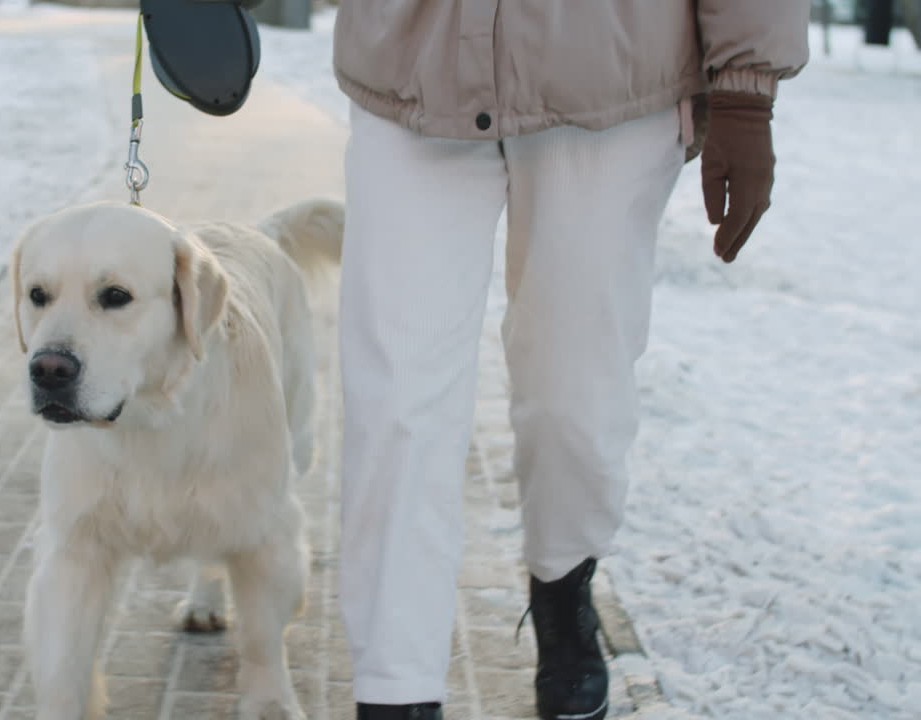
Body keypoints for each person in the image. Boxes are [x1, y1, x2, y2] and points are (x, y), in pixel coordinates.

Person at [332, 3, 810, 720]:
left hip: (612, 73)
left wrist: (746, 87)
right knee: (397, 396)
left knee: (574, 394)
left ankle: (562, 587)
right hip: (411, 56)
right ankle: (396, 687)